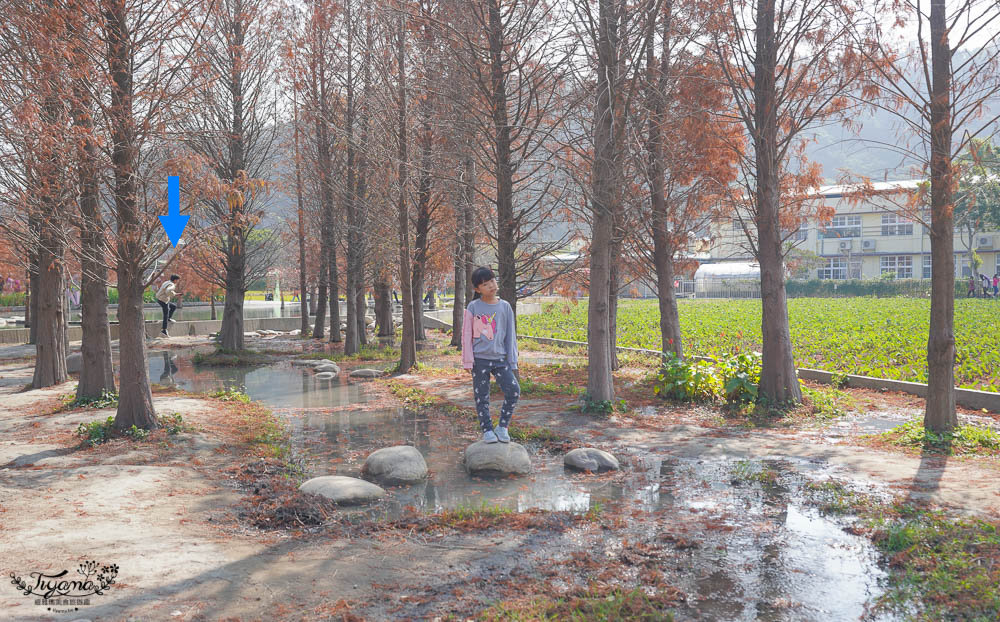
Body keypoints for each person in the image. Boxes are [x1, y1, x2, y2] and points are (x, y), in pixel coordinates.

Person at [461, 266, 520, 444]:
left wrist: (513, 360)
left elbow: (511, 335)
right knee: (482, 397)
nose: (492, 286)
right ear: (477, 289)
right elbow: (465, 336)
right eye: (486, 284)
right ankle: (486, 429)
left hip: (500, 359)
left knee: (514, 391)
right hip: (479, 360)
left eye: (493, 281)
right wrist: (468, 360)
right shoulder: (473, 307)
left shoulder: (505, 307)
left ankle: (502, 427)